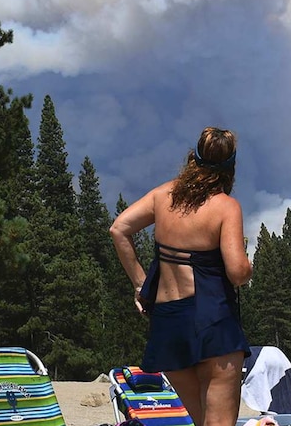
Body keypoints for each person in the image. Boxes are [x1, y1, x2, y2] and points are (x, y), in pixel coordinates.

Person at [110, 127, 253, 426]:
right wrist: (249, 265)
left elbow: (119, 228)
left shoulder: (163, 195)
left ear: (194, 158)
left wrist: (140, 283)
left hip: (168, 321)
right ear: (231, 166)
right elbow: (237, 272)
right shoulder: (225, 207)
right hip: (211, 320)